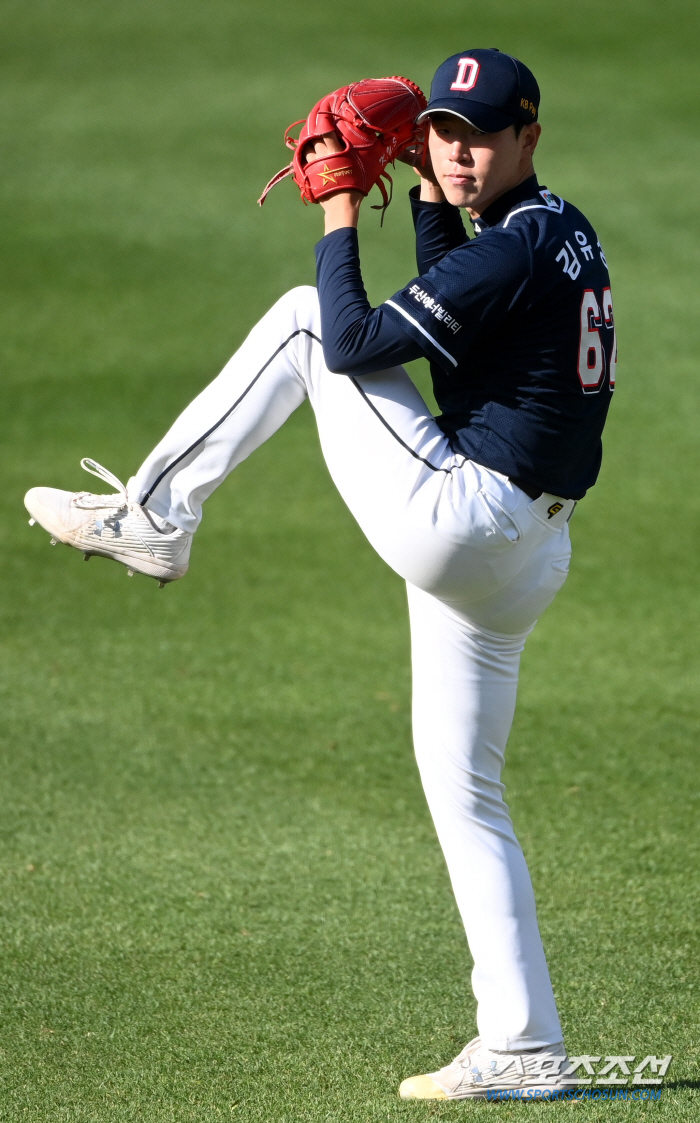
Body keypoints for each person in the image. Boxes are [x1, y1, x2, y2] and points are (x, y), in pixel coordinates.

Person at [25, 49, 616, 1099]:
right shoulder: (555, 230)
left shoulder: (507, 252)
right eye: (443, 131)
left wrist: (341, 205)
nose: (459, 151)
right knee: (466, 797)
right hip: (525, 552)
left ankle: (153, 513)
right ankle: (525, 1046)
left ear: (529, 137)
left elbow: (351, 341)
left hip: (464, 522)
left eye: (480, 135)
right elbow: (454, 326)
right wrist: (431, 194)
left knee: (304, 317)